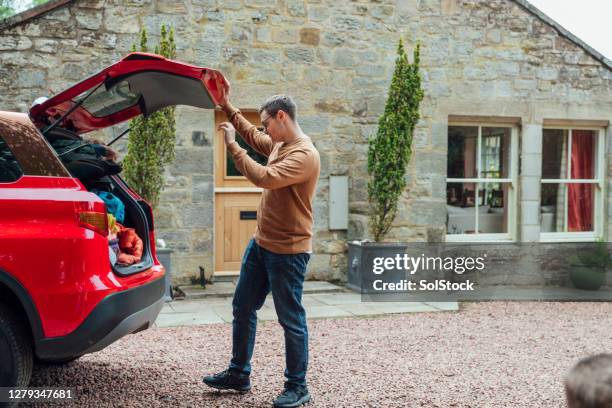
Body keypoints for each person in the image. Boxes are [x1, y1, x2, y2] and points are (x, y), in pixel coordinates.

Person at [202, 77, 320, 408]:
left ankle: (298, 386)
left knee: (290, 318)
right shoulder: (281, 144)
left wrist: (230, 145)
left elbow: (263, 178)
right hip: (261, 244)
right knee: (242, 306)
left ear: (282, 116)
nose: (264, 129)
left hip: (289, 251)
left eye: (267, 122)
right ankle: (239, 374)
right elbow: (254, 137)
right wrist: (227, 106)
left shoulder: (305, 155)